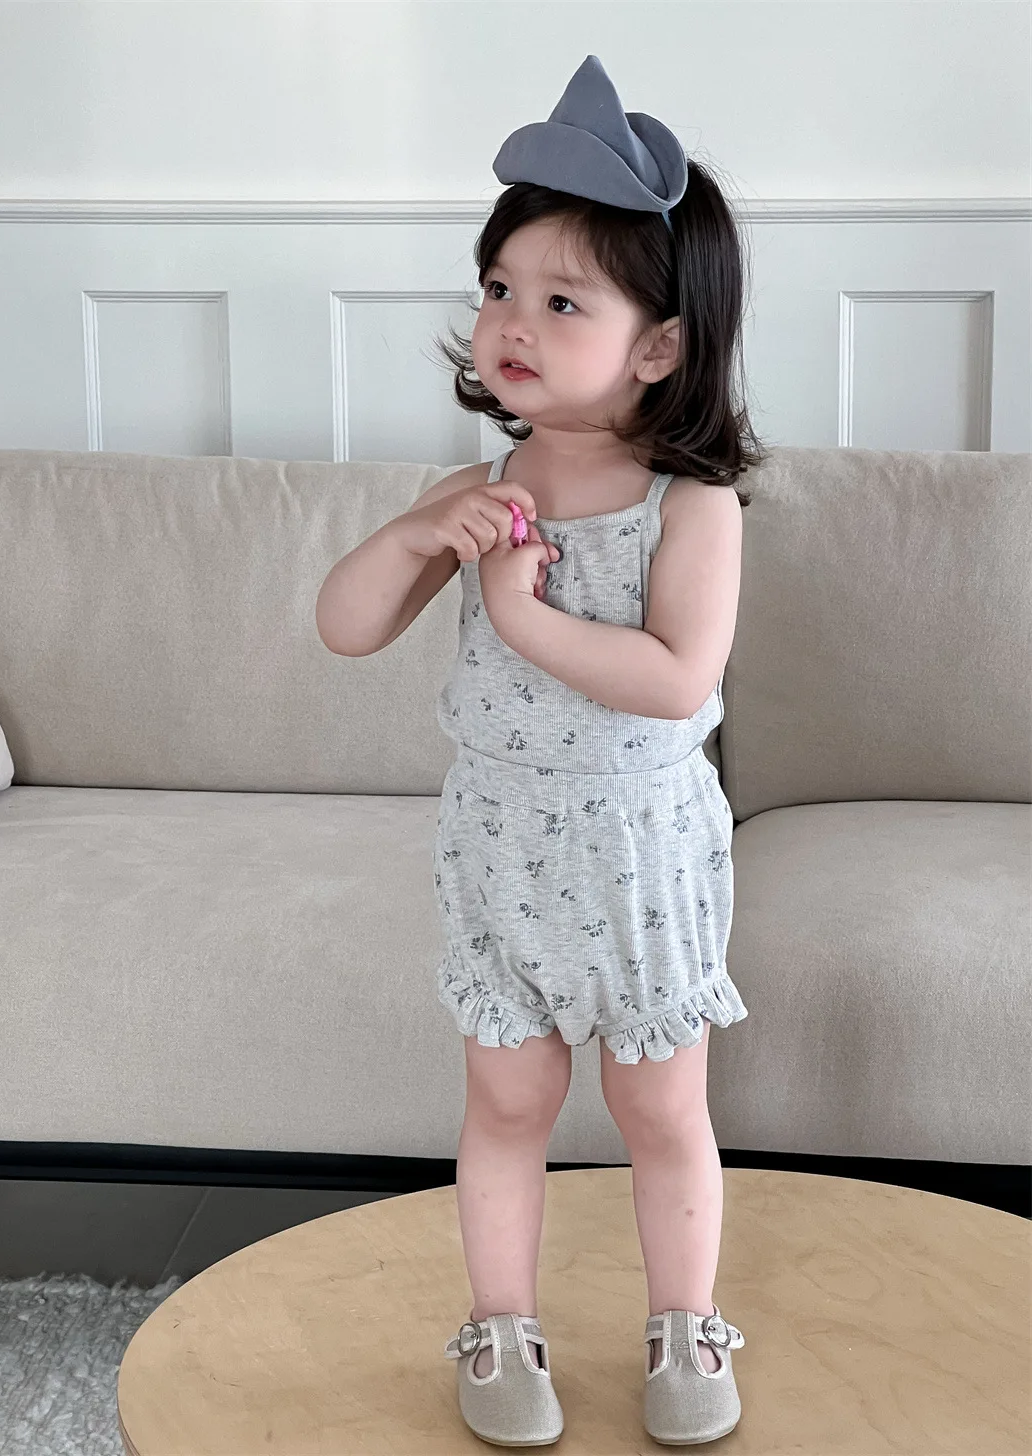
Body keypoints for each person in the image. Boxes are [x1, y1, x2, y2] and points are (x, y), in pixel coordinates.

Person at [316, 53, 768, 1449]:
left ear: (659, 346)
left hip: (641, 851)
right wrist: (413, 536)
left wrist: (519, 612)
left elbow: (676, 679)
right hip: (502, 841)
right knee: (507, 1102)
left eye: (562, 300)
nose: (512, 320)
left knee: (659, 1106)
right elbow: (346, 628)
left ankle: (685, 1325)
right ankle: (500, 1326)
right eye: (500, 287)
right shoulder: (486, 489)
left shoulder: (691, 507)